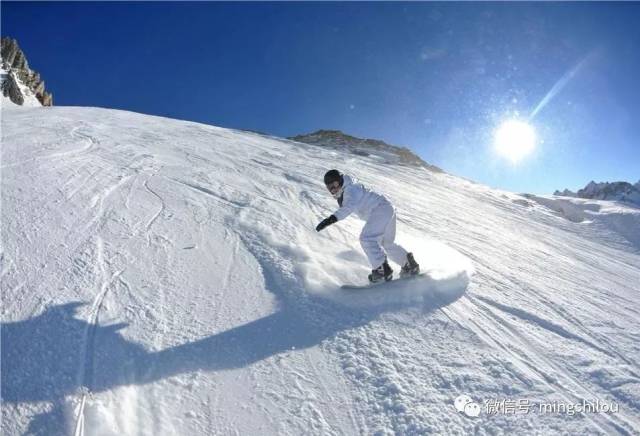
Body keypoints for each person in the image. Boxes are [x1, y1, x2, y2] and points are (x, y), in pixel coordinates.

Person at [315, 169, 420, 283]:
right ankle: (408, 263)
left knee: (367, 238)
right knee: (387, 243)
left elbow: (347, 208)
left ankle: (382, 270)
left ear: (340, 181)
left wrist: (329, 220)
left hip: (380, 209)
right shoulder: (349, 188)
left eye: (335, 184)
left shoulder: (350, 189)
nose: (334, 189)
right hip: (386, 208)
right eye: (330, 187)